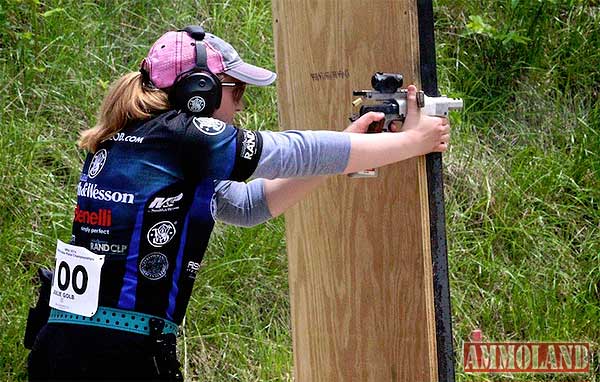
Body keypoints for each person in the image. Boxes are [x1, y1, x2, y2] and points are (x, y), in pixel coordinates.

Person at [27, 26, 450, 381]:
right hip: (118, 355)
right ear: (200, 91)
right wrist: (412, 141)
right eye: (237, 89)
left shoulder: (130, 138)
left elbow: (246, 206)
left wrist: (349, 146)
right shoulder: (186, 135)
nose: (241, 102)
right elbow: (293, 152)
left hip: (63, 345)